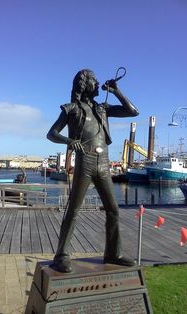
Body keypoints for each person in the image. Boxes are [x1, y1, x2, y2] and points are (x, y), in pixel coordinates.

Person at [47, 69, 139, 273]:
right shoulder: (71, 109)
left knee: (113, 209)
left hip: (104, 163)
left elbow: (133, 112)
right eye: (94, 82)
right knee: (73, 210)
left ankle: (113, 253)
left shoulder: (103, 108)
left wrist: (116, 91)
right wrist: (70, 141)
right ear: (84, 85)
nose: (98, 85)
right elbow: (51, 134)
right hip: (85, 161)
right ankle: (61, 255)